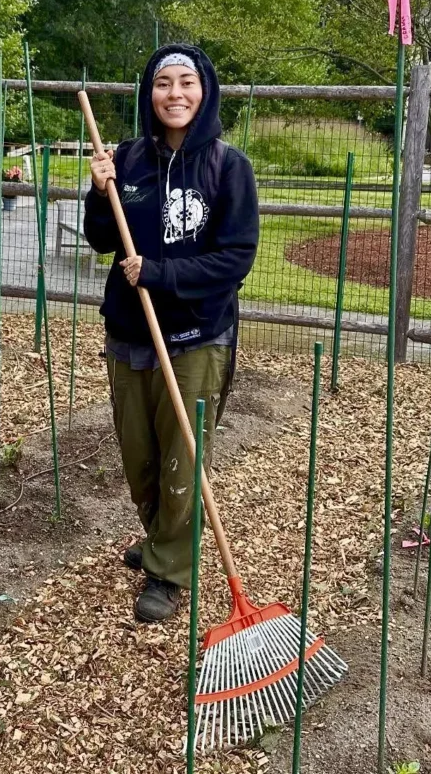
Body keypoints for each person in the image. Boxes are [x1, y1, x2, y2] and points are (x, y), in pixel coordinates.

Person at [83, 44, 258, 622]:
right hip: (129, 331)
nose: (174, 94)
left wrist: (159, 274)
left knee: (183, 460)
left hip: (196, 335)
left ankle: (169, 569)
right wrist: (99, 189)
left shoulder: (228, 167)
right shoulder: (129, 159)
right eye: (163, 84)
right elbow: (102, 239)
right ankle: (161, 537)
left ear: (204, 91)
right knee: (141, 459)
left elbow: (235, 258)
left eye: (186, 82)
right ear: (149, 93)